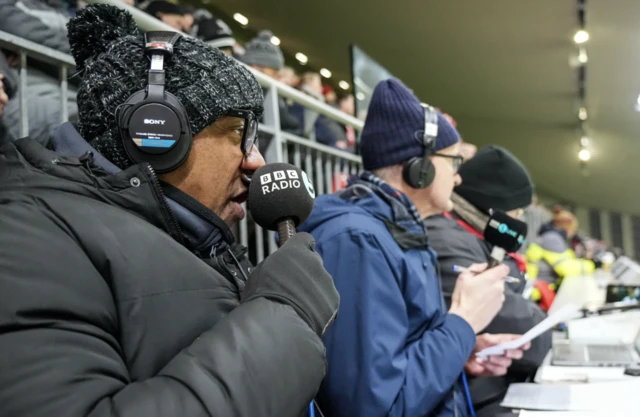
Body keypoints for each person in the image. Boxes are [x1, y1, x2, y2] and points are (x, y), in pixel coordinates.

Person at [0, 5, 339, 417]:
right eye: (238, 133)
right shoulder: (29, 239)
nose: (256, 162)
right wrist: (284, 317)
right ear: (155, 132)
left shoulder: (188, 235)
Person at [299, 78, 529, 417]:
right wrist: (463, 323)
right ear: (419, 168)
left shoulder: (397, 232)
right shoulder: (357, 243)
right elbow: (374, 406)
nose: (458, 178)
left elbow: (403, 354)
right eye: (454, 162)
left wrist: (462, 350)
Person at [424, 145, 551, 417]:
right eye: (517, 212)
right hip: (476, 397)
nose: (455, 178)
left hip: (482, 388)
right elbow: (523, 330)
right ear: (495, 210)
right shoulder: (445, 238)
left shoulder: (473, 238)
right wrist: (541, 321)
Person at [526, 208, 596, 304]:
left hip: (540, 289)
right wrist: (591, 265)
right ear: (566, 228)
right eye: (572, 230)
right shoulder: (552, 239)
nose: (572, 234)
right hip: (540, 292)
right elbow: (565, 269)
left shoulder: (549, 236)